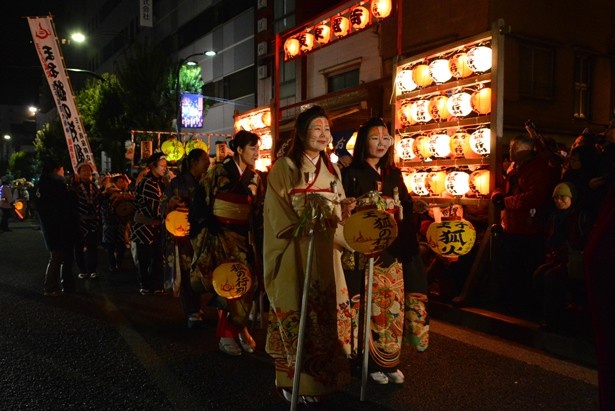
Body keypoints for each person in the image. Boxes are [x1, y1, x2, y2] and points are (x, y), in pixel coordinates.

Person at [263, 105, 356, 404]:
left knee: (325, 313)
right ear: (302, 134)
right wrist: (305, 227)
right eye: (317, 129)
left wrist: (345, 213)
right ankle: (291, 381)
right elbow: (276, 213)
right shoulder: (284, 168)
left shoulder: (332, 169)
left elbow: (339, 207)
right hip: (297, 252)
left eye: (327, 129)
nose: (323, 134)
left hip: (326, 254)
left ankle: (320, 381)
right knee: (296, 311)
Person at [341, 117, 425, 385]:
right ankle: (364, 361)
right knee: (366, 306)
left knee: (392, 307)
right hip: (365, 249)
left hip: (392, 250)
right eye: (375, 138)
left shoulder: (394, 174)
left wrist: (414, 208)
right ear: (364, 142)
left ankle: (390, 360)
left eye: (385, 138)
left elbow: (406, 206)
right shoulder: (350, 173)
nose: (381, 143)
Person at [190, 131, 263, 355]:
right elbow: (200, 201)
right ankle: (226, 335)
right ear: (239, 150)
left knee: (248, 285)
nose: (257, 154)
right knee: (228, 285)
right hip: (220, 236)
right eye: (252, 149)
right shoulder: (218, 172)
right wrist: (205, 224)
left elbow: (258, 208)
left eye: (257, 149)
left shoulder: (255, 177)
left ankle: (238, 328)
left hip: (244, 236)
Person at [491, 133, 560, 317]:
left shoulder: (538, 169)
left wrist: (507, 202)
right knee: (510, 268)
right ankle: (510, 305)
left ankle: (525, 309)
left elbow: (536, 197)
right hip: (512, 226)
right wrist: (497, 195)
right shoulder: (517, 167)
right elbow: (503, 186)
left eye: (514, 148)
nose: (510, 152)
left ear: (525, 150)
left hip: (529, 228)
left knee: (525, 269)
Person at [532, 182, 592, 332]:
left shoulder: (580, 216)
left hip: (573, 259)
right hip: (557, 258)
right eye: (556, 198)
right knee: (539, 275)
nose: (559, 201)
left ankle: (554, 320)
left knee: (551, 278)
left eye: (563, 197)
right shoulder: (554, 216)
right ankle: (548, 317)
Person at [161, 148, 210, 329]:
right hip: (182, 233)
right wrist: (171, 204)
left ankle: (196, 306)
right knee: (187, 271)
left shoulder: (206, 181)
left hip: (201, 233)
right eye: (204, 159)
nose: (208, 162)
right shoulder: (177, 182)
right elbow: (163, 205)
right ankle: (192, 310)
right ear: (194, 162)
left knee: (200, 270)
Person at [35, 160, 79, 296]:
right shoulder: (56, 185)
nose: (63, 173)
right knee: (57, 257)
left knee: (57, 256)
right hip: (59, 227)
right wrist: (72, 188)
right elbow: (69, 202)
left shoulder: (42, 185)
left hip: (50, 226)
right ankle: (50, 287)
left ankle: (55, 286)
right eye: (62, 170)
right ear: (55, 170)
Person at [131, 152, 168, 295]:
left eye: (165, 166)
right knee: (145, 257)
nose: (164, 168)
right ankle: (145, 285)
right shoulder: (147, 182)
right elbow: (156, 207)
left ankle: (156, 285)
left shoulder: (160, 182)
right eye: (162, 166)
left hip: (156, 225)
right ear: (153, 166)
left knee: (158, 256)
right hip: (144, 226)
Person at [72, 163, 103, 280]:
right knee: (79, 247)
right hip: (80, 221)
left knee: (93, 247)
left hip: (93, 220)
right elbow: (72, 205)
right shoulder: (74, 187)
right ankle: (83, 270)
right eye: (83, 171)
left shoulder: (94, 186)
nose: (86, 172)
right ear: (79, 173)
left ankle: (92, 270)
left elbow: (99, 200)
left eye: (88, 171)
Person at [102, 174, 134, 271]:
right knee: (110, 246)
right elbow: (104, 207)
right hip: (110, 223)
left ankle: (119, 264)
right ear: (114, 183)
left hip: (122, 224)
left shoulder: (128, 194)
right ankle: (112, 264)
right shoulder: (108, 193)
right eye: (119, 181)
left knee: (121, 245)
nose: (122, 183)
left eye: (123, 181)